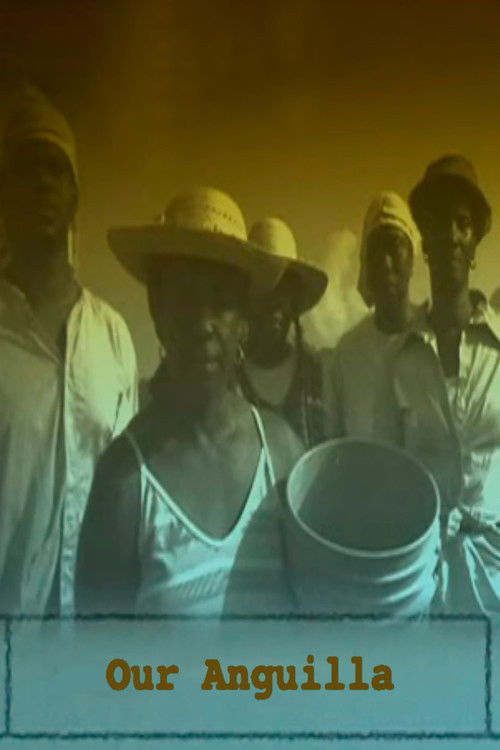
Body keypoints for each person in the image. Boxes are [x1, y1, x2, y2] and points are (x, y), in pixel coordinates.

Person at [76, 188, 303, 616]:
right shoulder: (123, 482)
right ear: (157, 313)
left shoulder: (283, 456)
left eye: (222, 301)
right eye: (185, 299)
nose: (203, 324)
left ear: (244, 321)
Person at [0, 87, 138, 615]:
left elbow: (127, 491)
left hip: (89, 630)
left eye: (55, 169)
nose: (42, 183)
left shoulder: (113, 337)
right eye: (26, 168)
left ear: (75, 196)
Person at [395, 154, 500, 615]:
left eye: (463, 223)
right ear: (425, 240)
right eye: (438, 223)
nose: (452, 236)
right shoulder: (401, 359)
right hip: (427, 581)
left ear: (475, 241)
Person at [326, 191, 420, 441]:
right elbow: (336, 444)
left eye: (394, 246)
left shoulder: (432, 339)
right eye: (375, 250)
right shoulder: (347, 354)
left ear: (412, 259)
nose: (385, 262)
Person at [239, 217, 329, 448]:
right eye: (266, 288)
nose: (275, 303)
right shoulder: (229, 381)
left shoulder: (319, 373)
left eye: (284, 289)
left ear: (295, 300)